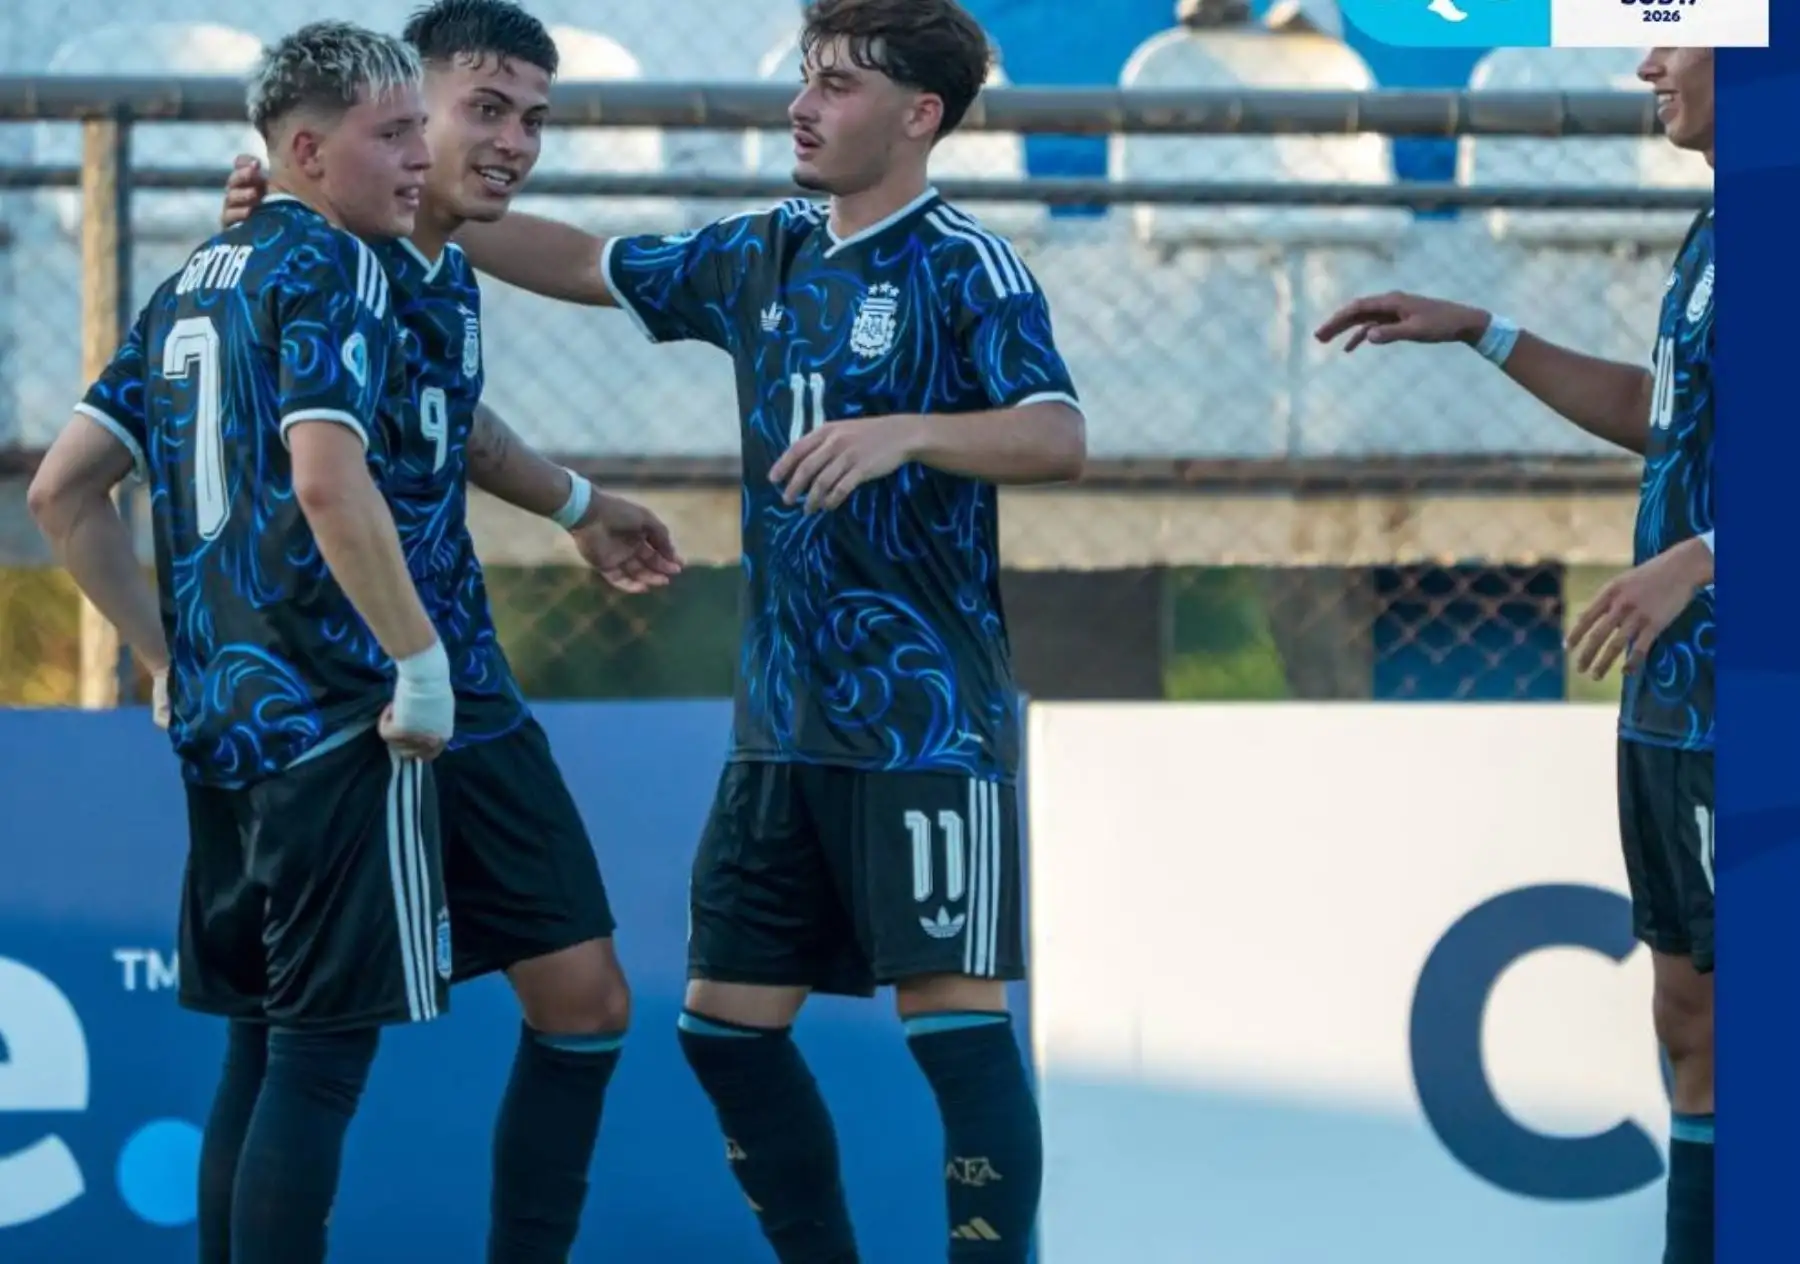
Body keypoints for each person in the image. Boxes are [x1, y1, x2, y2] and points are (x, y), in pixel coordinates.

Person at [430, 0, 1086, 1258]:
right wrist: (425, 209)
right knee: (724, 1030)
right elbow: (586, 264)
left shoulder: (967, 266)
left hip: (925, 724)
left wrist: (908, 431)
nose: (803, 104)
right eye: (806, 77)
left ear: (919, 117)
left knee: (954, 1032)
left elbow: (1058, 434)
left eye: (838, 85)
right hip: (780, 725)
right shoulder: (762, 249)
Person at [216, 3, 685, 1259]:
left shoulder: (441, 262)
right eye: (487, 108)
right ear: (399, 109)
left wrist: (581, 506)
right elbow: (306, 467)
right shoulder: (317, 257)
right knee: (303, 1042)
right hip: (354, 693)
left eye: (535, 117)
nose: (517, 141)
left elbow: (452, 426)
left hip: (465, 681)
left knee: (585, 1002)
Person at [28, 22, 447, 1264]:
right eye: (395, 132)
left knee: (256, 1051)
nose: (422, 155)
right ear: (309, 152)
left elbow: (61, 493)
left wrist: (166, 658)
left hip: (221, 724)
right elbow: (328, 481)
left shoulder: (197, 274)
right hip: (330, 713)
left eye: (422, 126)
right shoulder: (338, 267)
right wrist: (417, 658)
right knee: (315, 1068)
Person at [1314, 46, 1715, 1264]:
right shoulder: (1718, 232)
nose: (1649, 56)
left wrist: (1706, 556)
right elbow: (1673, 416)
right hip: (1675, 702)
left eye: (1681, 29)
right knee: (1693, 1024)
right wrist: (1485, 331)